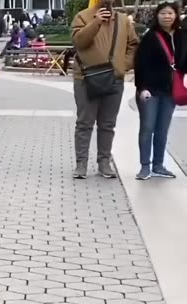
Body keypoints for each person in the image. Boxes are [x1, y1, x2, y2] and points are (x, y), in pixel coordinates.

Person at [70, 0, 138, 179]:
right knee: (85, 123)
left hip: (114, 79)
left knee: (107, 124)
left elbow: (133, 46)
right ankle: (81, 164)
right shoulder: (82, 16)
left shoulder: (123, 20)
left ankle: (104, 163)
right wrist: (96, 22)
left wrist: (122, 66)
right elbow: (79, 42)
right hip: (86, 78)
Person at [133, 1, 184, 180]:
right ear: (157, 16)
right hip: (151, 90)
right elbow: (140, 64)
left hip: (170, 89)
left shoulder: (181, 35)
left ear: (176, 15)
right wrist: (142, 87)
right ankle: (145, 166)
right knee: (147, 128)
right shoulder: (150, 36)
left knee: (162, 129)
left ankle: (159, 165)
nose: (167, 16)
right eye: (163, 13)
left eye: (170, 13)